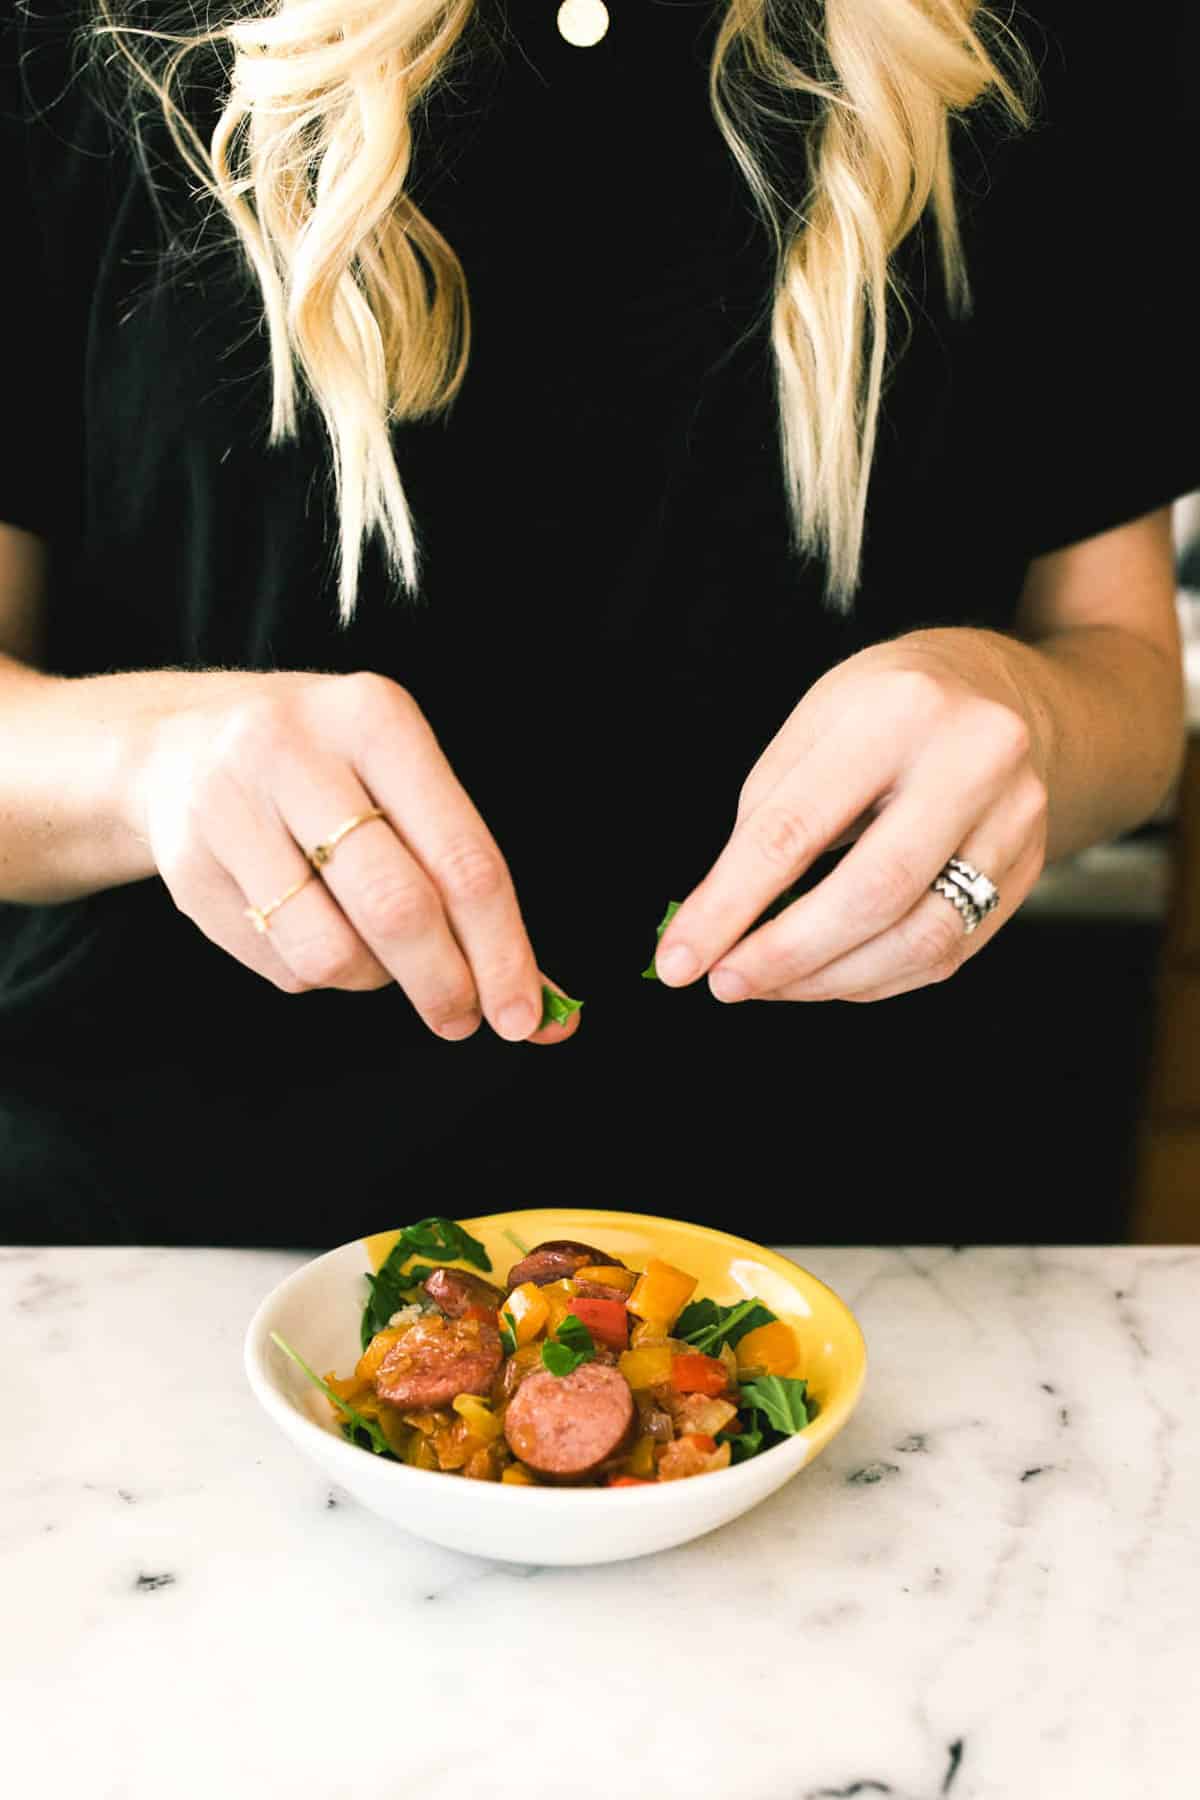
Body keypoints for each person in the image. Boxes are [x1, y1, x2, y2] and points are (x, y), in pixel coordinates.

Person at [1, 0, 1196, 1248]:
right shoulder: (67, 33)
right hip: (166, 1257)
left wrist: (1023, 715)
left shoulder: (1071, 35)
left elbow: (1126, 689)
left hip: (860, 1250)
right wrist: (160, 764)